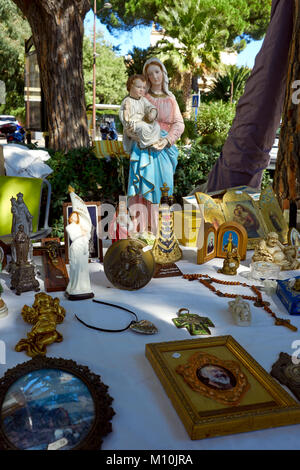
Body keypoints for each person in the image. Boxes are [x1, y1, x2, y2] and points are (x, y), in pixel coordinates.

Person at [127, 58, 184, 233]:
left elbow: (179, 124)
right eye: (150, 74)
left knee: (163, 188)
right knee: (143, 189)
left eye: (157, 72)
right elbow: (130, 122)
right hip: (144, 150)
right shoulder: (142, 98)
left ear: (163, 73)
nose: (154, 76)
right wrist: (139, 135)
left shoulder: (171, 99)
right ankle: (143, 231)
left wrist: (167, 140)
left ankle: (162, 232)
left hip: (164, 150)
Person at [119, 74, 161, 153]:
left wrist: (152, 112)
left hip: (142, 123)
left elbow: (150, 106)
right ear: (131, 87)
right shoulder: (127, 101)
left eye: (144, 88)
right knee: (143, 126)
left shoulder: (143, 100)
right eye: (139, 87)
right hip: (133, 125)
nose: (142, 90)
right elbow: (123, 116)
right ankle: (146, 143)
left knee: (156, 126)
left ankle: (154, 142)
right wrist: (128, 124)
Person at [65, 187, 94, 299]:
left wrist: (84, 233)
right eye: (73, 216)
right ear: (70, 218)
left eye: (76, 216)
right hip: (76, 248)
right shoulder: (69, 227)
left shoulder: (80, 226)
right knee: (76, 268)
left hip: (83, 249)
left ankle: (84, 287)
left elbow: (87, 236)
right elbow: (73, 236)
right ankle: (75, 287)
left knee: (83, 269)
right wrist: (81, 233)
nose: (74, 217)